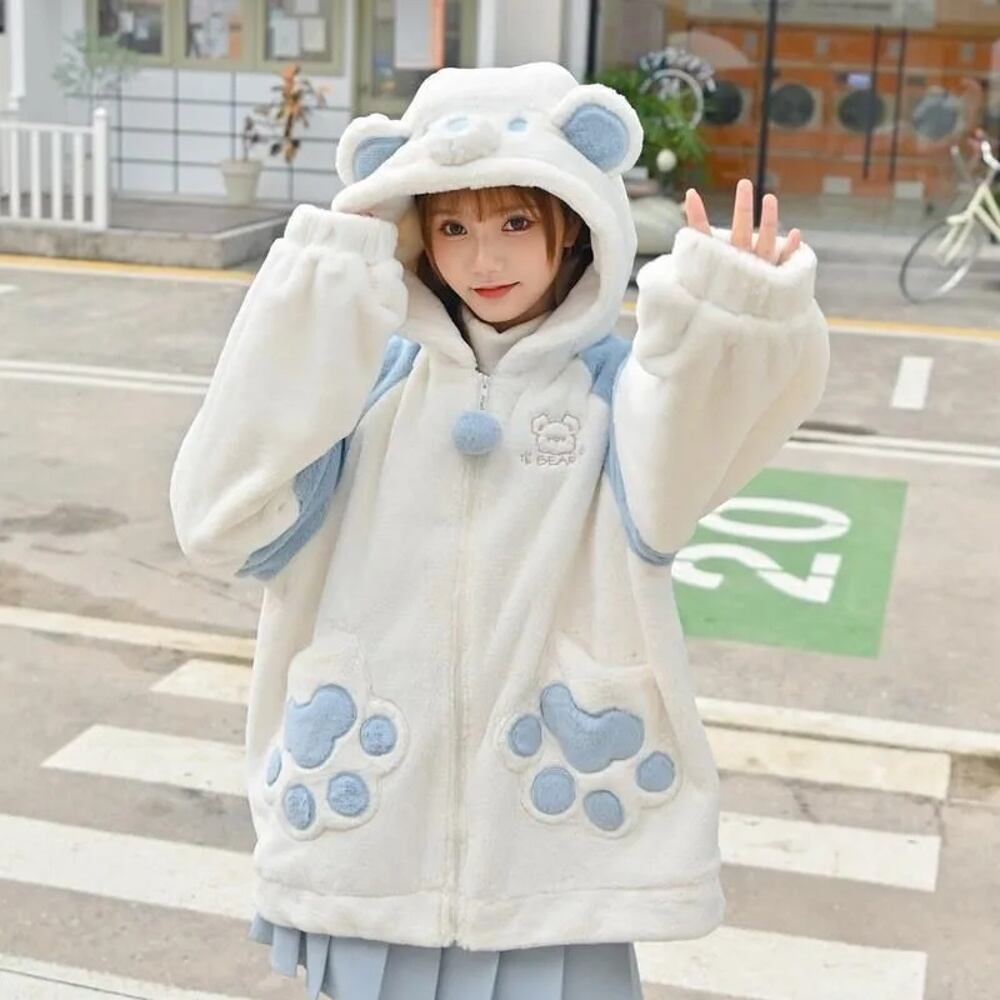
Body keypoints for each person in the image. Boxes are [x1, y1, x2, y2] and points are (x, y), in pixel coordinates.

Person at [169, 61, 829, 1000]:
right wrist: (326, 280)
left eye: (516, 222)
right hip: (372, 841)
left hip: (545, 864)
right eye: (452, 227)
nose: (483, 260)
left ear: (576, 224)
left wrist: (735, 318)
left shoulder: (617, 396)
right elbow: (220, 518)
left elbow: (692, 449)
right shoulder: (366, 387)